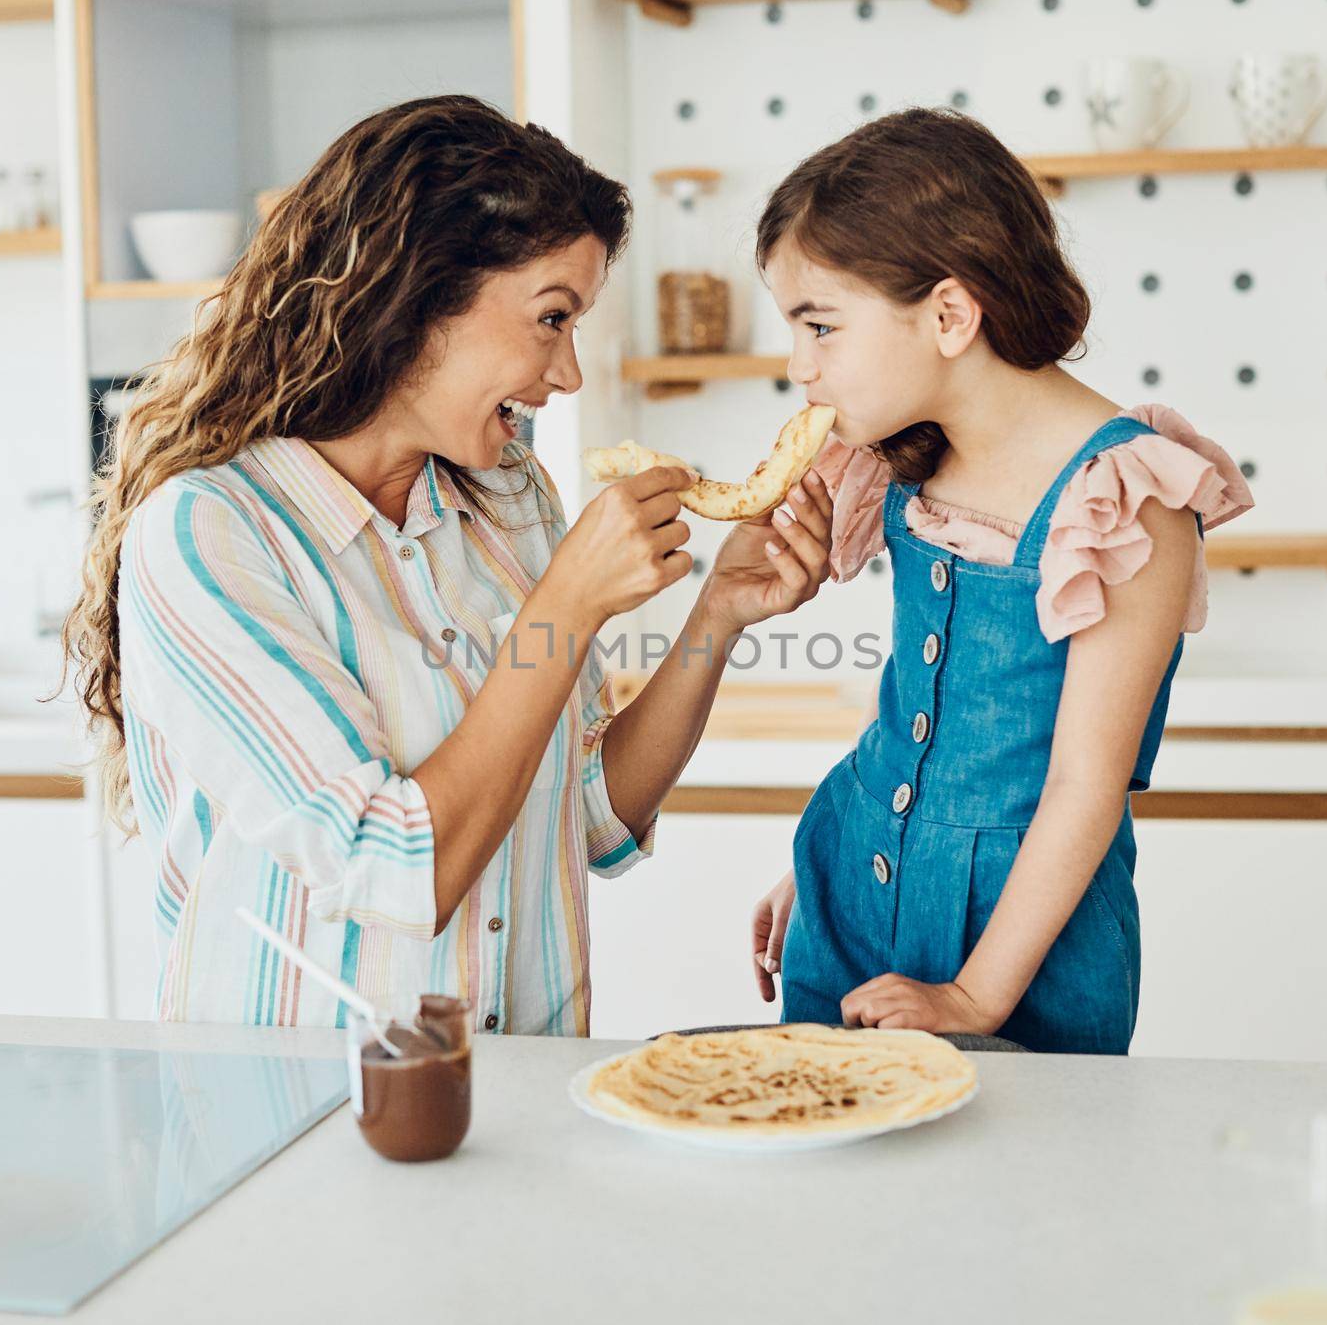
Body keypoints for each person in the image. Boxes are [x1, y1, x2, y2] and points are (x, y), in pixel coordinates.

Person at [62, 95, 834, 1032]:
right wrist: (565, 607)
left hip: (520, 1096)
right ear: (418, 298)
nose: (569, 374)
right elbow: (392, 867)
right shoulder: (209, 536)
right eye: (552, 318)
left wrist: (719, 613)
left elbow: (589, 811)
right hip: (303, 1120)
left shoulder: (509, 496)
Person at [747, 107, 1253, 1053]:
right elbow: (909, 699)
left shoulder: (1127, 496)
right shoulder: (905, 458)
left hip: (1022, 944)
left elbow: (1085, 786)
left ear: (949, 314)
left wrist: (975, 999)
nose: (798, 367)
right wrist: (825, 869)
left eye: (819, 326)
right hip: (852, 886)